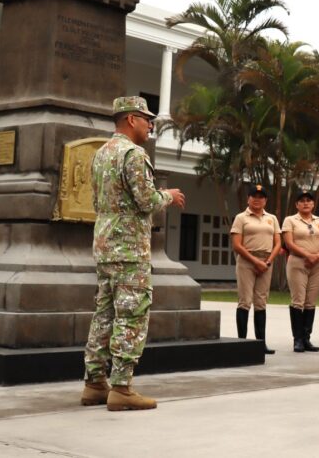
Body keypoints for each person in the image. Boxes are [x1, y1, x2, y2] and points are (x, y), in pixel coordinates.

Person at [82, 96, 184, 412]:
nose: (150, 125)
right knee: (132, 314)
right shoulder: (133, 154)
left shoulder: (101, 153)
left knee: (104, 313)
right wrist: (168, 195)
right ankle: (122, 387)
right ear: (131, 120)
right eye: (146, 119)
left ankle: (94, 383)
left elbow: (97, 200)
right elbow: (146, 200)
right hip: (129, 248)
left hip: (105, 244)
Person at [231, 184, 282, 355]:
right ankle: (242, 343)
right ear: (248, 199)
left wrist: (267, 262)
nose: (257, 199)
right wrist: (255, 261)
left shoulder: (272, 218)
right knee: (245, 301)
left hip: (266, 261)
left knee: (261, 302)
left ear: (265, 200)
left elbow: (278, 243)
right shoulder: (241, 218)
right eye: (254, 196)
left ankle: (261, 343)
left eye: (261, 197)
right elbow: (237, 245)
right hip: (247, 260)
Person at [281, 189, 319, 353]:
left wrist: (317, 256)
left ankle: (306, 338)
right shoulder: (290, 220)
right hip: (298, 262)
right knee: (298, 301)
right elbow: (289, 243)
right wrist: (307, 255)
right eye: (302, 201)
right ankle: (298, 339)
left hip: (316, 264)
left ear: (313, 203)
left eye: (308, 200)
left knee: (311, 301)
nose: (305, 203)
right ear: (297, 204)